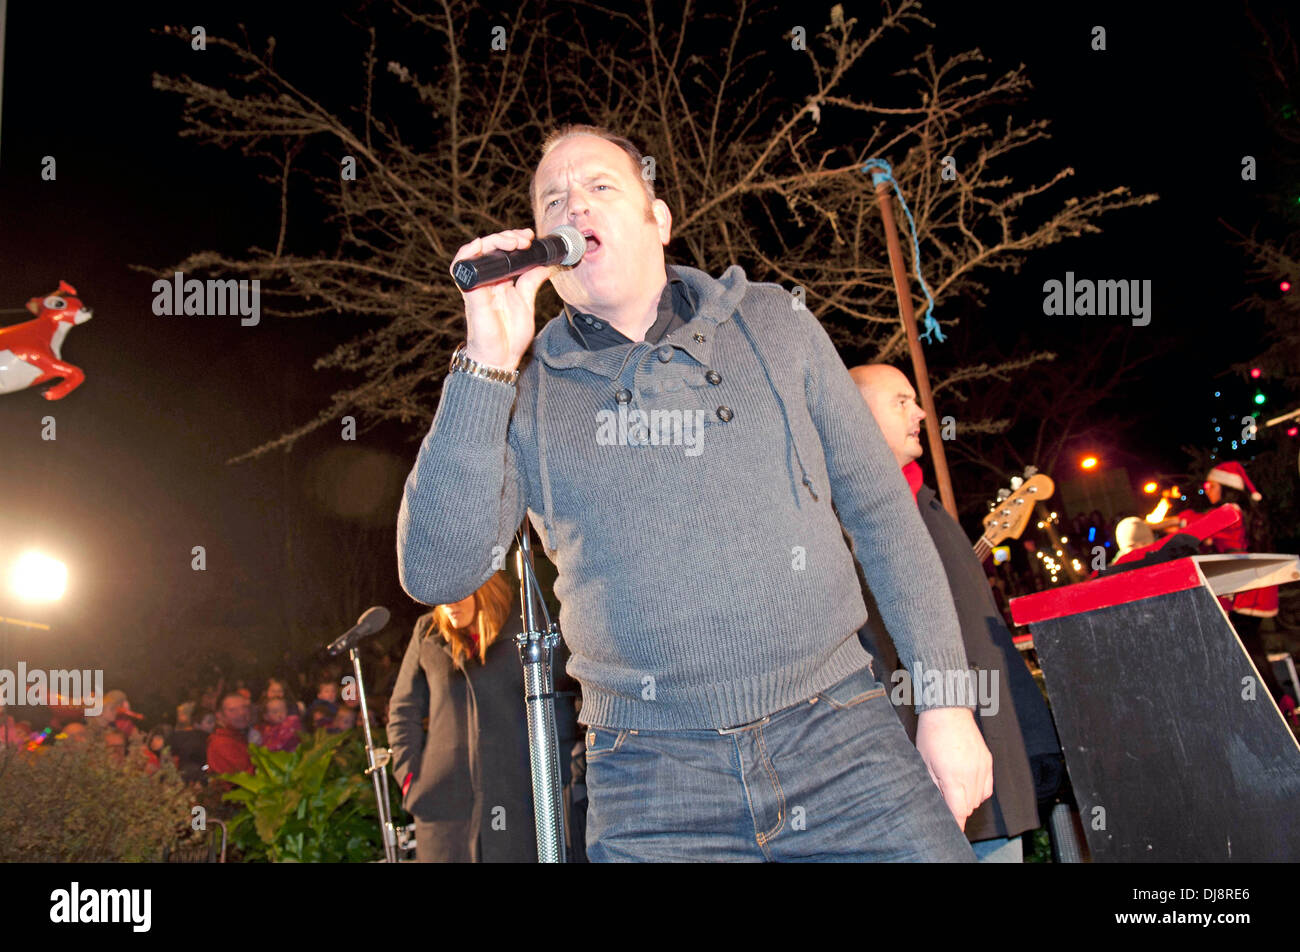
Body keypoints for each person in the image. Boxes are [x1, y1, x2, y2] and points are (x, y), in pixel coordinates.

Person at [397, 124, 991, 861]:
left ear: (659, 219)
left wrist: (947, 704)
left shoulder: (775, 321)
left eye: (600, 187)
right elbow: (435, 571)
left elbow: (882, 515)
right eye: (554, 201)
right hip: (651, 784)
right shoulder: (525, 393)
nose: (573, 207)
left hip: (844, 740)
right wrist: (484, 362)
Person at [851, 363, 1062, 863]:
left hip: (981, 767)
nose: (921, 411)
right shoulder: (836, 516)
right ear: (852, 413)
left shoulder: (926, 506)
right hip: (901, 774)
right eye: (900, 400)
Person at [388, 572, 570, 862]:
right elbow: (402, 711)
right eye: (440, 596)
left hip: (516, 804)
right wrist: (411, 779)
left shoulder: (526, 629)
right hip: (444, 812)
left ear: (482, 583)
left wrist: (557, 777)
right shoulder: (428, 632)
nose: (448, 604)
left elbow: (560, 707)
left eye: (457, 592)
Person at [1203, 461, 1296, 716]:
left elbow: (1195, 531)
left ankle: (1276, 704)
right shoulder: (1241, 510)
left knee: (1248, 649)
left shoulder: (1228, 511)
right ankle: (1280, 703)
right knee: (1251, 647)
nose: (1207, 490)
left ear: (1226, 486)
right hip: (1253, 588)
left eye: (1210, 485)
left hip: (1246, 590)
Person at [206, 693, 254, 786]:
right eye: (232, 710)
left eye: (244, 707)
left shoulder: (240, 734)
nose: (241, 713)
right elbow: (245, 779)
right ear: (219, 715)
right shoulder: (222, 743)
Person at [171, 705, 214, 783]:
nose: (213, 725)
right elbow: (203, 765)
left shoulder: (182, 737)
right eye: (209, 722)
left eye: (214, 721)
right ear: (196, 724)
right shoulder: (201, 741)